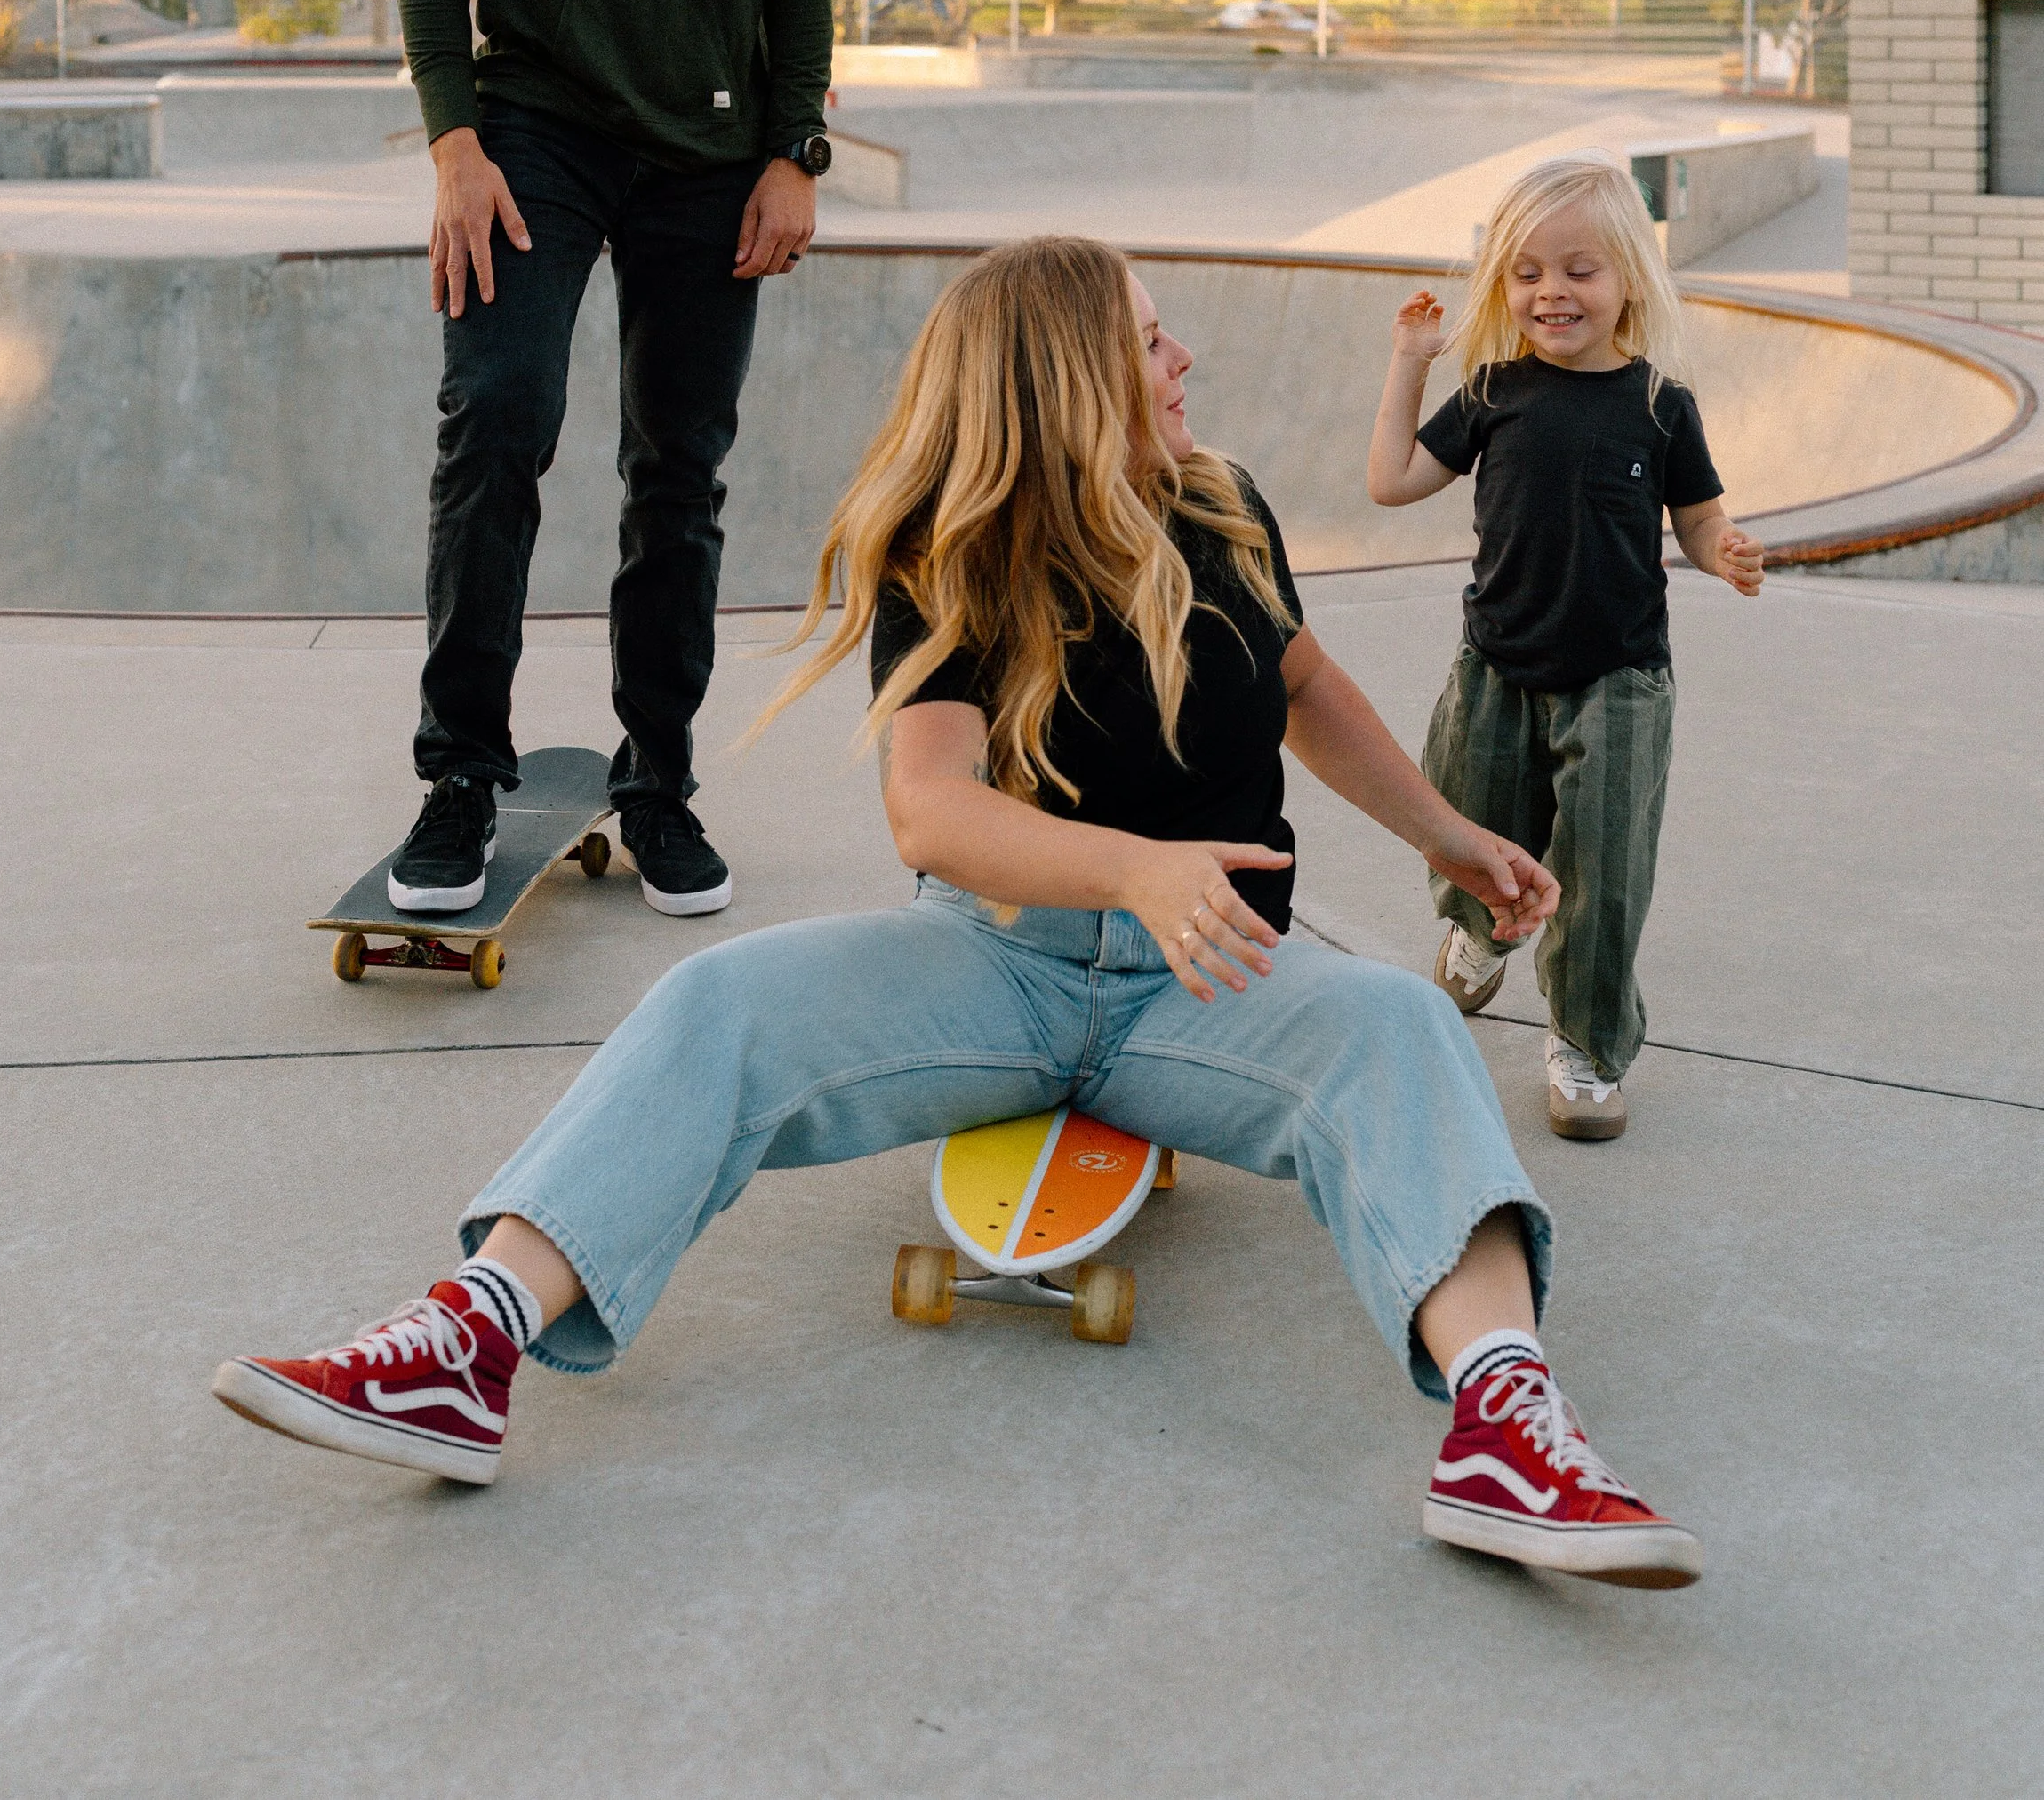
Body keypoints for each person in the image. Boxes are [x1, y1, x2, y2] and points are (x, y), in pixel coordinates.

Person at [215, 236, 1703, 1587]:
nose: (1186, 361)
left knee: (1399, 1027)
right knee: (716, 1003)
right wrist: (1131, 866)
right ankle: (465, 1344)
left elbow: (1306, 692)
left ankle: (1505, 1421)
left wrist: (1458, 837)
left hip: (1215, 979)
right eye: (1152, 342)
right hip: (991, 962)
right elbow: (933, 810)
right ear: (1066, 383)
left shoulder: (1226, 506)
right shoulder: (953, 548)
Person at [385, 0, 833, 924]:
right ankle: (460, 779)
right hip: (537, 132)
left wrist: (795, 146)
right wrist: (456, 143)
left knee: (677, 473)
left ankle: (660, 783)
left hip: (713, 152)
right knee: (496, 417)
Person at [1367, 154, 1763, 1143]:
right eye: (1528, 272)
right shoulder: (1495, 389)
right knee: (1471, 826)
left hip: (1619, 679)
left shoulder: (1659, 402)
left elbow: (1700, 517)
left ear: (1629, 276)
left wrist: (1727, 553)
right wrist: (1412, 360)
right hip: (1496, 668)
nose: (1552, 292)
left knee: (1602, 866)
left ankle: (1585, 1046)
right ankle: (1471, 941)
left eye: (1579, 270)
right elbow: (1390, 480)